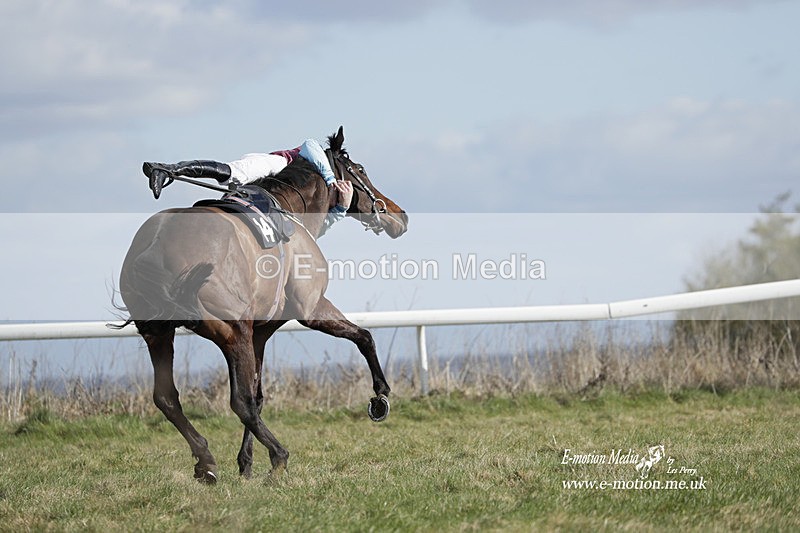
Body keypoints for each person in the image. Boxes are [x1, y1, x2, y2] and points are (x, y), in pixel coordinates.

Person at [142, 138, 353, 236]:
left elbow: (315, 231)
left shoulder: (322, 207)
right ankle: (167, 169)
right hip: (276, 166)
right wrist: (330, 179)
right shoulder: (323, 167)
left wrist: (341, 210)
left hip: (271, 192)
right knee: (234, 174)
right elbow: (310, 144)